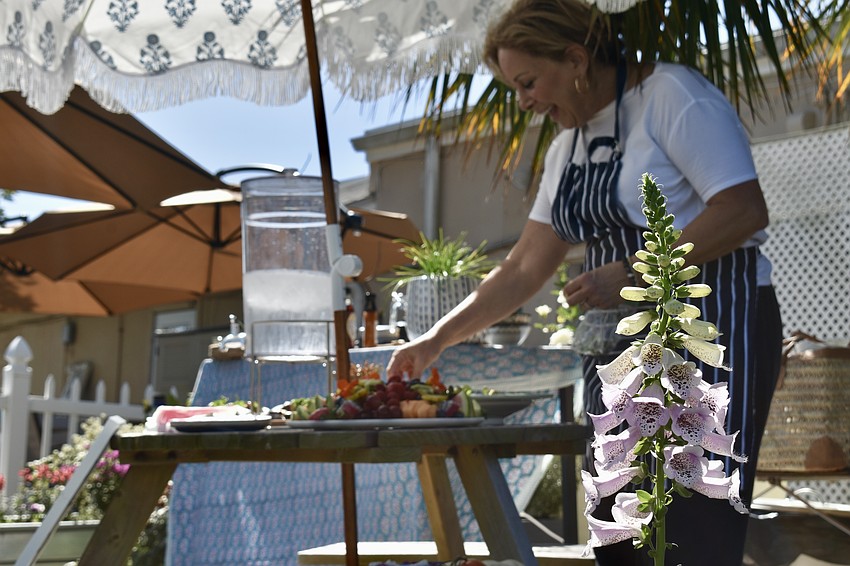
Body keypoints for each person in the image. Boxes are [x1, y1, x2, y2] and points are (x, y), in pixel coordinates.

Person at [386, 1, 783, 564]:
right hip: (619, 354)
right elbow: (524, 267)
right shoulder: (564, 147)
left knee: (692, 528)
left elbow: (742, 209)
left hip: (709, 333)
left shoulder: (672, 96)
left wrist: (636, 272)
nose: (522, 100)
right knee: (619, 529)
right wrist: (435, 340)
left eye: (527, 82)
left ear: (575, 58)